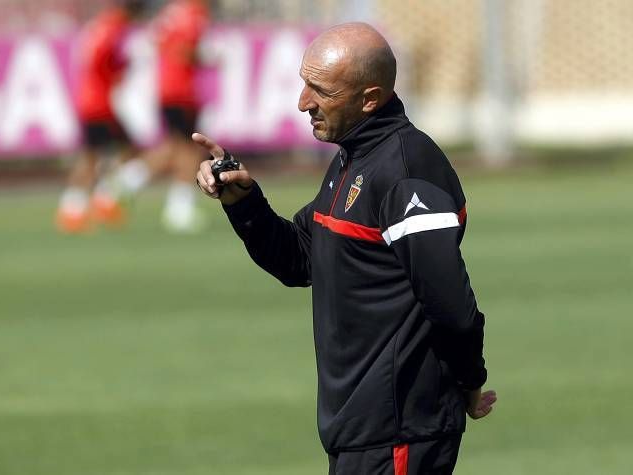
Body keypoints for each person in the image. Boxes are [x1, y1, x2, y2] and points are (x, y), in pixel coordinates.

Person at [194, 23, 496, 474]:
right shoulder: (353, 158)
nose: (302, 102)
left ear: (369, 98)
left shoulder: (406, 171)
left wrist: (470, 379)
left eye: (320, 90)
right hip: (359, 427)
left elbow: (450, 302)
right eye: (303, 83)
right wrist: (245, 202)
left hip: (399, 430)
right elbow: (299, 259)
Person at [109, 0, 209, 232]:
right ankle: (178, 209)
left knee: (177, 147)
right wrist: (206, 57)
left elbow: (157, 42)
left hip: (167, 88)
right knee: (189, 149)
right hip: (180, 90)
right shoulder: (193, 10)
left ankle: (128, 179)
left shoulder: (171, 11)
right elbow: (186, 50)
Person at [55, 0, 145, 234]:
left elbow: (89, 56)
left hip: (90, 100)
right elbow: (102, 58)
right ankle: (93, 205)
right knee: (115, 154)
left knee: (99, 154)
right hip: (100, 103)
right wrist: (121, 66)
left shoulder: (101, 24)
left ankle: (83, 206)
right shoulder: (114, 28)